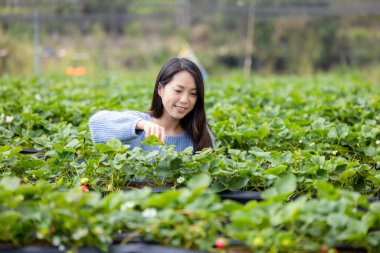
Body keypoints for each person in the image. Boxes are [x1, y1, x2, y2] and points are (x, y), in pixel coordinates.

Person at [89, 57, 214, 153]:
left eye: (193, 94)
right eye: (178, 91)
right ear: (160, 89)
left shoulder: (200, 133)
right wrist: (142, 124)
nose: (185, 100)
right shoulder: (139, 124)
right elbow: (96, 123)